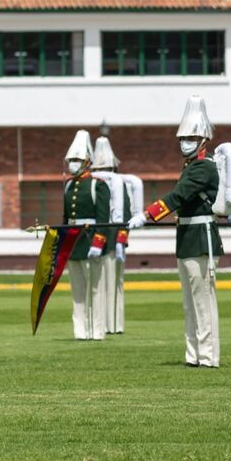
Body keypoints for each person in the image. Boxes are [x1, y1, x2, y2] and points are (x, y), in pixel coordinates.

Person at [143, 96, 231, 368]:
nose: (185, 141)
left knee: (203, 303)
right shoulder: (190, 166)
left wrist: (147, 215)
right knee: (189, 304)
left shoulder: (203, 167)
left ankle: (208, 356)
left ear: (203, 140)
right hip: (186, 238)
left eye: (191, 137)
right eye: (183, 137)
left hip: (201, 240)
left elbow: (179, 196)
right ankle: (193, 354)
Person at [61, 130, 111, 342]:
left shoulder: (97, 185)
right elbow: (66, 218)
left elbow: (103, 218)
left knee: (96, 290)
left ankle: (96, 331)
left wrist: (98, 243)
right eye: (71, 159)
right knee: (78, 292)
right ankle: (80, 331)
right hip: (73, 243)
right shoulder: (69, 185)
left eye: (77, 159)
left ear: (87, 161)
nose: (73, 163)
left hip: (90, 240)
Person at [92, 136, 133, 336]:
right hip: (108, 234)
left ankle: (105, 323)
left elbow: (123, 213)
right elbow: (125, 211)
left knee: (102, 283)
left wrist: (120, 240)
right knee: (111, 283)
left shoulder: (102, 181)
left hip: (101, 236)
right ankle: (111, 324)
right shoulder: (113, 181)